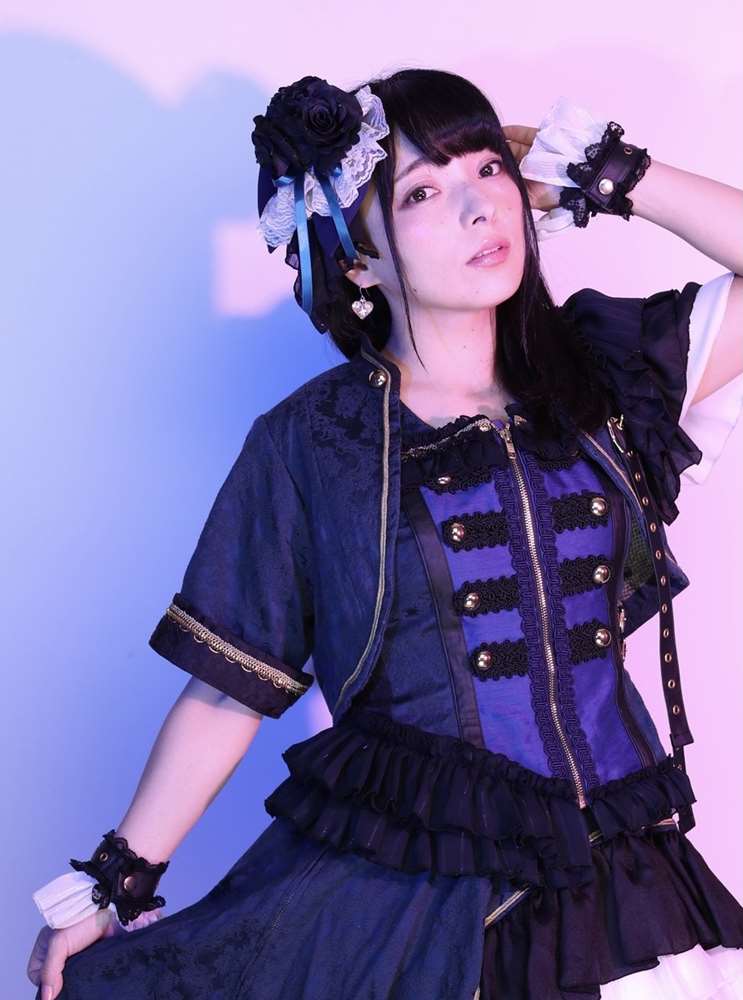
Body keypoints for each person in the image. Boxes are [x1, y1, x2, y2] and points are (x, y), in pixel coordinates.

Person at [27, 68, 743, 999]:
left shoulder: (604, 377)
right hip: (410, 897)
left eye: (486, 168)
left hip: (621, 889)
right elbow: (228, 690)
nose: (478, 207)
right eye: (419, 193)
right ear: (357, 260)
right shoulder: (315, 441)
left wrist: (610, 173)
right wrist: (113, 882)